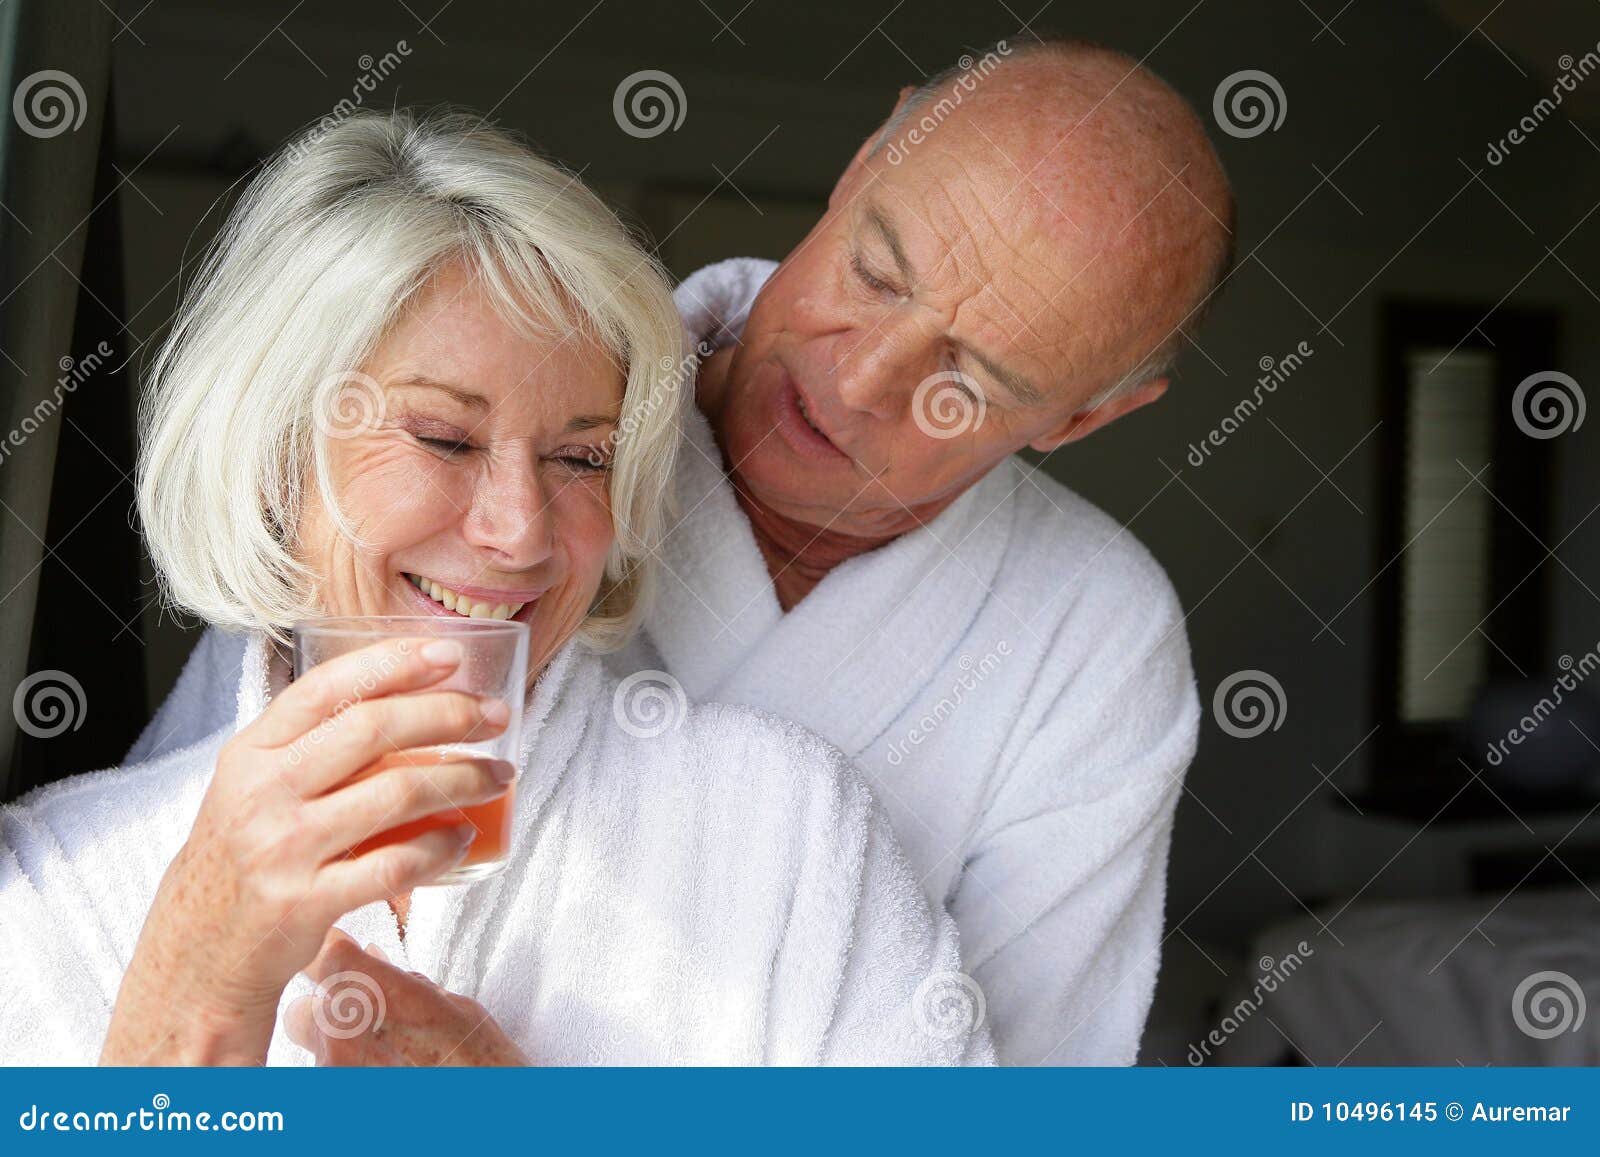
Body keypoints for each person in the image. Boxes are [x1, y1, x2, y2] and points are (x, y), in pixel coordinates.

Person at [0, 110, 992, 1067]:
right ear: (272, 457)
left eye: (580, 457)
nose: (520, 531)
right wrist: (194, 990)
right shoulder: (50, 884)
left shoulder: (785, 832)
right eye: (443, 438)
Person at [608, 38, 1235, 1064]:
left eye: (973, 379)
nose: (859, 381)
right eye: (875, 271)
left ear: (1081, 418)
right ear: (863, 160)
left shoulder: (1094, 632)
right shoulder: (525, 420)